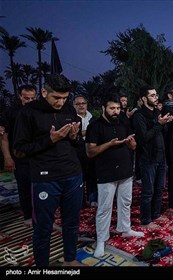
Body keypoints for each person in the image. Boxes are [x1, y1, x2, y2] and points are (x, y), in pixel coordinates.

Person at [13, 74, 84, 267]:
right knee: (43, 228)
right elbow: (19, 150)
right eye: (56, 98)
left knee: (71, 224)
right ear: (44, 92)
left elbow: (78, 145)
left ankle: (70, 260)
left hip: (72, 175)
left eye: (64, 97)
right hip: (45, 179)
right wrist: (50, 140)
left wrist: (75, 137)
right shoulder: (28, 112)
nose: (61, 102)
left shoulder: (70, 110)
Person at [85, 93, 144, 258]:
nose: (116, 111)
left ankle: (125, 228)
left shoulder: (124, 122)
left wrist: (133, 144)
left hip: (125, 169)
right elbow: (90, 152)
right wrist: (109, 144)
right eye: (112, 108)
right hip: (106, 172)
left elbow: (132, 145)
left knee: (126, 202)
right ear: (103, 108)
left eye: (118, 108)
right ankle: (101, 240)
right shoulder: (95, 126)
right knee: (104, 208)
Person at [132, 86, 173, 230]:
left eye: (156, 95)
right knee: (148, 191)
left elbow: (161, 133)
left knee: (160, 188)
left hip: (161, 156)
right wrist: (159, 124)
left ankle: (156, 214)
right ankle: (145, 220)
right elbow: (144, 138)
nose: (156, 98)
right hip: (148, 158)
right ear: (144, 98)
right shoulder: (139, 116)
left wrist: (165, 123)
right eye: (152, 95)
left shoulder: (157, 112)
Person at [1, 85, 36, 226]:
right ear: (20, 96)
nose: (29, 101)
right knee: (24, 187)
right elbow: (4, 137)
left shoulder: (38, 110)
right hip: (20, 156)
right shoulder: (11, 112)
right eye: (26, 98)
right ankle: (28, 215)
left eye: (32, 98)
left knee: (41, 186)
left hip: (37, 155)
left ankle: (40, 213)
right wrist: (7, 157)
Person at [73, 95, 97, 207]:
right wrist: (87, 132)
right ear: (74, 105)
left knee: (92, 175)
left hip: (91, 149)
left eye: (83, 103)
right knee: (79, 177)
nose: (81, 105)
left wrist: (84, 132)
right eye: (78, 104)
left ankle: (92, 199)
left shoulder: (92, 118)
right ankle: (81, 201)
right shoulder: (72, 118)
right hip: (77, 151)